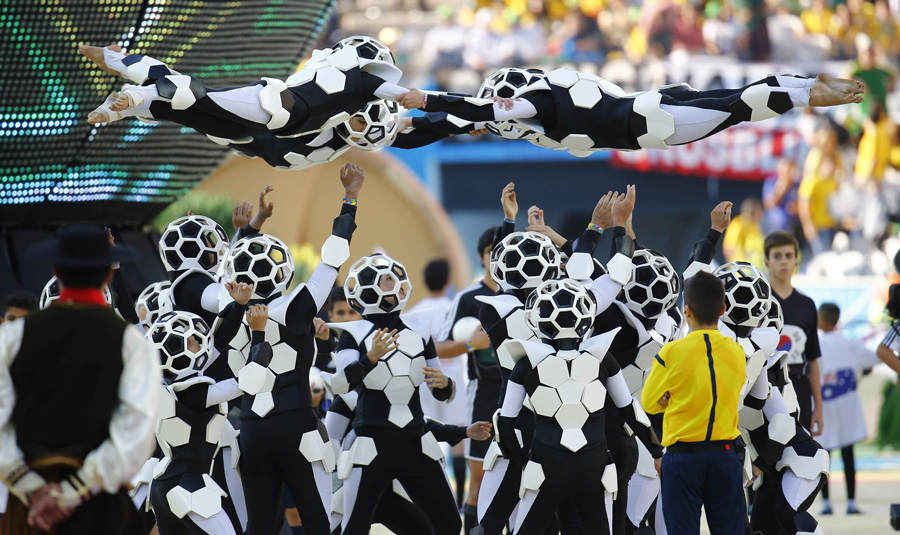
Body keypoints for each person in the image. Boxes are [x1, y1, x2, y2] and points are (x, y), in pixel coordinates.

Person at [228, 163, 364, 535]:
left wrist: (247, 229)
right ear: (283, 269)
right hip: (298, 428)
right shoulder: (297, 305)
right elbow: (334, 257)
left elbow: (232, 274)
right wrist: (350, 196)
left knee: (259, 528)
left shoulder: (228, 315)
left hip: (251, 430)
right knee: (319, 524)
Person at [0, 224, 160, 534]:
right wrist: (75, 491)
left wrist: (34, 489)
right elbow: (138, 438)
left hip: (31, 512)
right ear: (108, 275)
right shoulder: (131, 342)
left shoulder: (13, 336)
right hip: (100, 511)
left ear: (56, 270)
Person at [497, 279, 663, 535]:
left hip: (546, 466)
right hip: (593, 466)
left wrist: (523, 462)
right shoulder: (602, 358)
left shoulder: (526, 363)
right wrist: (657, 451)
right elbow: (630, 410)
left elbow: (505, 425)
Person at [398, 69, 864, 157]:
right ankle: (808, 85)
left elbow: (476, 109)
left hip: (652, 123)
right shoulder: (519, 116)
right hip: (655, 104)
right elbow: (453, 124)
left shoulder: (533, 105)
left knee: (740, 106)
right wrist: (392, 134)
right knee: (738, 100)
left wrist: (426, 98)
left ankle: (808, 91)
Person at [330, 253, 460, 535]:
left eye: (394, 276)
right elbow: (340, 386)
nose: (395, 282)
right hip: (371, 444)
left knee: (450, 523)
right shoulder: (354, 333)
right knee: (354, 529)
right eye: (387, 278)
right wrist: (370, 357)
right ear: (366, 286)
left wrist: (445, 385)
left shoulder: (420, 329)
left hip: (414, 441)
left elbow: (441, 391)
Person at [642, 271, 747, 535]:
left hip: (683, 459)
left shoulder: (671, 352)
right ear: (723, 309)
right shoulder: (737, 352)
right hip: (725, 455)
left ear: (686, 311)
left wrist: (669, 399)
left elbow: (649, 403)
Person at [434, 227, 500, 534]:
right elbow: (440, 347)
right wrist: (473, 344)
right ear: (481, 257)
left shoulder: (524, 294)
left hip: (526, 395)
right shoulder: (467, 298)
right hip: (484, 395)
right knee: (480, 480)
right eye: (491, 252)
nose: (497, 258)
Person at [407, 258, 470, 510]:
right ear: (448, 281)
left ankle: (423, 499)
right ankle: (459, 502)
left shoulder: (415, 313)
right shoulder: (455, 307)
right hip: (453, 380)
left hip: (424, 380)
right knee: (459, 441)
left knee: (423, 437)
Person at [816, 302, 880, 515]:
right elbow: (873, 359)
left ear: (821, 320)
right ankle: (851, 502)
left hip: (825, 406)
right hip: (848, 405)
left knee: (825, 456)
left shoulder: (816, 344)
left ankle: (826, 504)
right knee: (848, 454)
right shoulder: (851, 344)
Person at [764, 231, 824, 437]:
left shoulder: (807, 305)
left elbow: (813, 360)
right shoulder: (759, 303)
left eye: (789, 256)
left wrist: (819, 407)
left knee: (801, 458)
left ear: (796, 260)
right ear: (766, 260)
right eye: (777, 256)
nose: (784, 262)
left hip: (800, 388)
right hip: (766, 389)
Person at [722, 198, 765, 267]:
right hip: (740, 271)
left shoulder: (755, 226)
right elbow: (728, 249)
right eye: (760, 212)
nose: (762, 215)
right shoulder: (737, 225)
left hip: (755, 269)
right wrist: (741, 262)